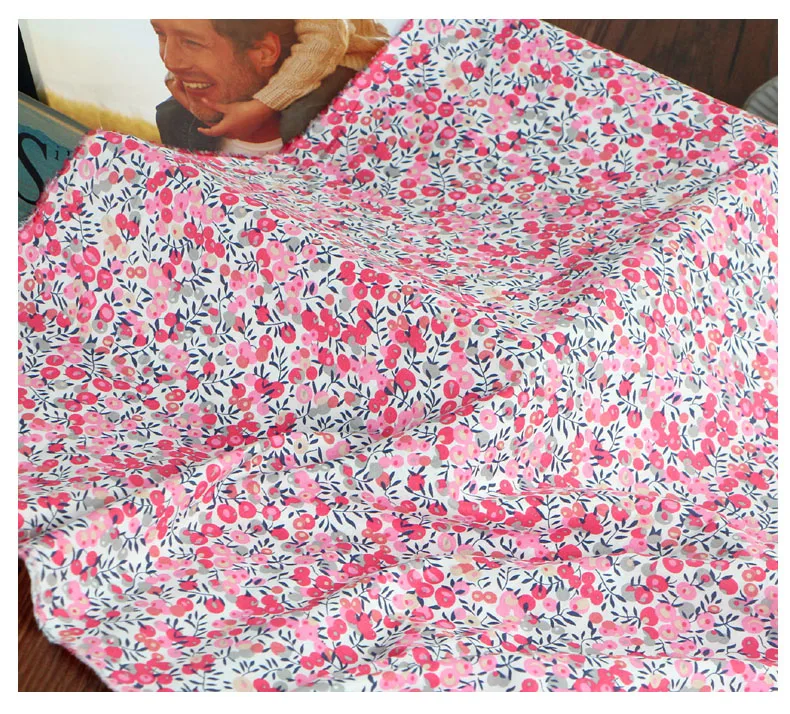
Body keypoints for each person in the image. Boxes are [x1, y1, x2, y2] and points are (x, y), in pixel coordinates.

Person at [152, 19, 389, 156]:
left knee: (300, 119)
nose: (169, 59)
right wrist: (181, 79)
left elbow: (326, 42)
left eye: (191, 42)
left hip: (345, 58)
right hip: (296, 50)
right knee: (172, 113)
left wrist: (262, 105)